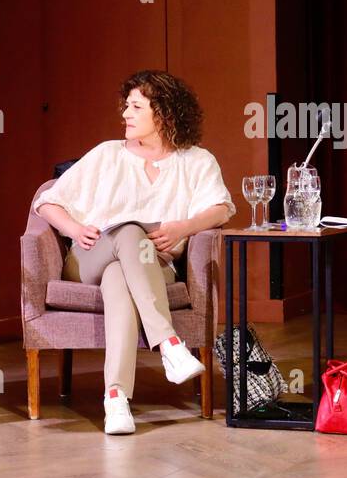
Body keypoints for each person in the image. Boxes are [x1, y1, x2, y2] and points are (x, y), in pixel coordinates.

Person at [33, 70, 235, 435]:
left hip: (151, 265)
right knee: (128, 230)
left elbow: (221, 208)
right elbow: (47, 203)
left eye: (136, 107)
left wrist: (181, 228)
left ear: (165, 113)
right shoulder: (107, 155)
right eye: (126, 106)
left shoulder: (196, 161)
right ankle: (169, 343)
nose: (125, 114)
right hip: (90, 257)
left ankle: (115, 399)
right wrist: (75, 229)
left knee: (119, 279)